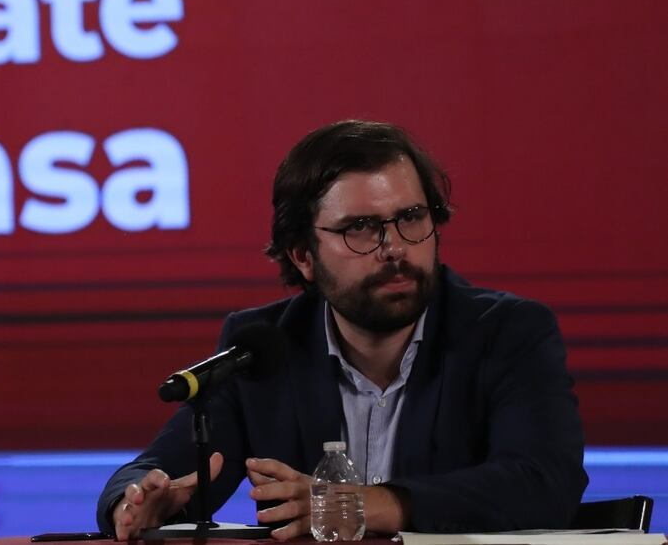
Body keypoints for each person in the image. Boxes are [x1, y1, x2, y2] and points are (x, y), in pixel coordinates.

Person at [96, 119, 587, 539]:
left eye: (411, 218)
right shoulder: (263, 347)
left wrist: (363, 505)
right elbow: (153, 472)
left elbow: (545, 483)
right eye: (360, 228)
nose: (395, 248)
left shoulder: (506, 333)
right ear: (303, 256)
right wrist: (138, 503)